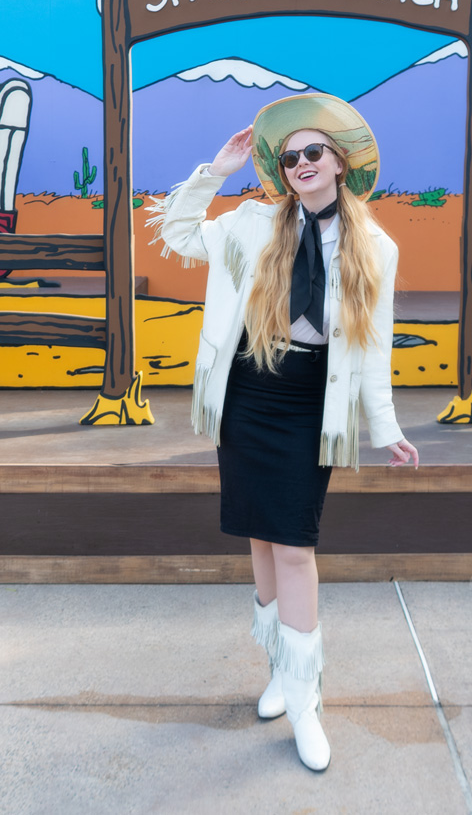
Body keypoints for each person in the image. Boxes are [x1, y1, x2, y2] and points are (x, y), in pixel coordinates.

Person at [147, 92, 419, 772]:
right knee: (262, 537)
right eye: (290, 155)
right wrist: (216, 169)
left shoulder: (375, 247)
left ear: (340, 162)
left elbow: (375, 346)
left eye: (312, 153)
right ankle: (279, 669)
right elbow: (177, 234)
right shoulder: (250, 223)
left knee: (295, 545)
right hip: (247, 394)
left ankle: (307, 701)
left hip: (308, 401)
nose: (300, 163)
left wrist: (385, 426)